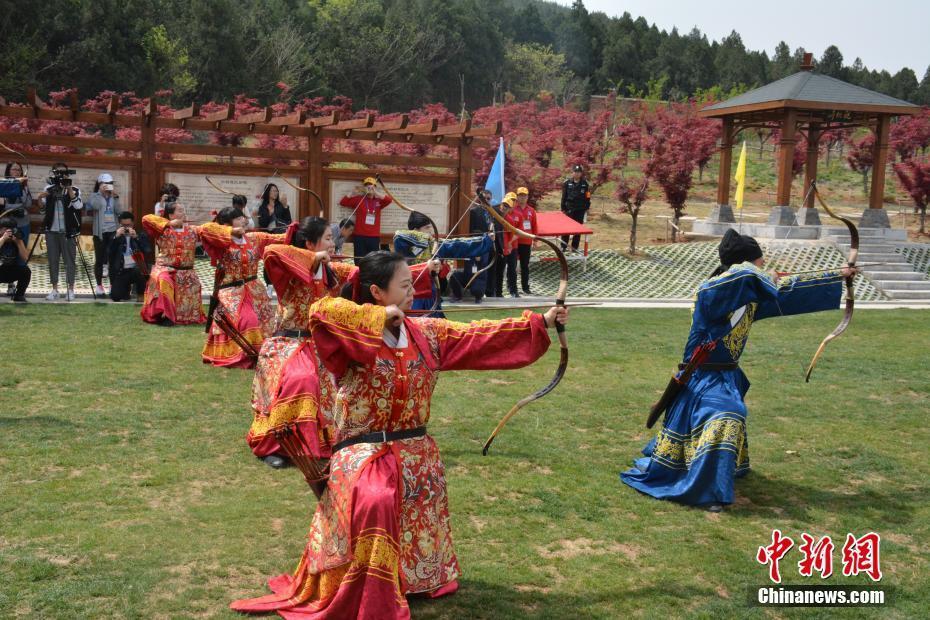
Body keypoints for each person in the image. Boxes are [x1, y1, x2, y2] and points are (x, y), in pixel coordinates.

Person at [231, 250, 568, 619]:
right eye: (404, 286)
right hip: (362, 454)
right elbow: (320, 313)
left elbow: (477, 335)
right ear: (376, 292)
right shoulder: (353, 334)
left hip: (416, 452)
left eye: (413, 284)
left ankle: (413, 579)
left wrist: (542, 322)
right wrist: (376, 318)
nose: (413, 292)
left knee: (417, 483)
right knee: (377, 498)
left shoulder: (428, 333)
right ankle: (371, 586)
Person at [620, 229, 857, 512]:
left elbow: (788, 293)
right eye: (757, 263)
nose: (761, 268)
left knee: (730, 412)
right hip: (702, 378)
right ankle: (706, 489)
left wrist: (838, 277)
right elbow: (741, 278)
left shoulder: (749, 294)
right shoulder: (713, 291)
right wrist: (755, 271)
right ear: (742, 265)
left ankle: (712, 473)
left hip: (725, 377)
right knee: (729, 415)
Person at [247, 216, 356, 468]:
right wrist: (312, 259)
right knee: (302, 379)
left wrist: (422, 270)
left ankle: (317, 443)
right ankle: (276, 445)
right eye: (328, 238)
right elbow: (271, 251)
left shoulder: (332, 271)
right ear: (309, 243)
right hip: (288, 344)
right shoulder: (289, 268)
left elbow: (364, 273)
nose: (333, 244)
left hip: (320, 347)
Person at [199, 206, 288, 368]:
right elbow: (204, 230)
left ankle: (262, 354)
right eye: (238, 218)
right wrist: (229, 232)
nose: (243, 220)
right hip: (231, 291)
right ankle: (247, 355)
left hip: (255, 290)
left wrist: (297, 230)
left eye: (242, 218)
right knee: (248, 320)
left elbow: (280, 238)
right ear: (227, 224)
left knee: (266, 321)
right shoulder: (222, 241)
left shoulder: (254, 238)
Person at [140, 201, 205, 326]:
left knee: (195, 282)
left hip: (187, 270)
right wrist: (169, 224)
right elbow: (145, 219)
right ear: (170, 215)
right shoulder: (162, 229)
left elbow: (209, 231)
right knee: (165, 281)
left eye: (183, 210)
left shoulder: (192, 230)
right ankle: (167, 316)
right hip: (165, 268)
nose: (183, 213)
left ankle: (187, 316)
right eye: (179, 210)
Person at [41, 163, 83, 302]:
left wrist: (69, 188)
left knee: (69, 261)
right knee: (53, 260)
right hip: (51, 231)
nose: (61, 177)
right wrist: (41, 197)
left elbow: (78, 206)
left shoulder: (75, 189)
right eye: (58, 174)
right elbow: (42, 208)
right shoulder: (49, 189)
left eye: (64, 174)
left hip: (68, 232)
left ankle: (70, 289)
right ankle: (54, 289)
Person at [85, 173, 121, 296]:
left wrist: (115, 198)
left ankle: (112, 285)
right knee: (100, 259)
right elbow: (96, 206)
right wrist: (101, 193)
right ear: (99, 184)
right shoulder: (94, 196)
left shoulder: (113, 197)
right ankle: (99, 285)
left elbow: (119, 211)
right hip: (100, 233)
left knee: (112, 259)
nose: (108, 186)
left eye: (110, 183)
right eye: (105, 183)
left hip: (112, 231)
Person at [339, 176, 392, 257]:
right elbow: (343, 202)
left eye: (371, 185)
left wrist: (376, 193)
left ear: (375, 187)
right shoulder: (359, 199)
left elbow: (389, 200)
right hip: (359, 236)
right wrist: (352, 192)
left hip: (374, 236)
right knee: (359, 259)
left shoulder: (379, 201)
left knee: (373, 260)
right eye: (367, 185)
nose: (369, 187)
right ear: (364, 187)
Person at [1, 162, 32, 295]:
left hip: (22, 224)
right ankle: (9, 284)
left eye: (19, 170)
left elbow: (28, 203)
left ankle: (18, 288)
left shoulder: (23, 185)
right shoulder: (4, 184)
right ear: (9, 170)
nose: (17, 172)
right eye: (14, 169)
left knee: (20, 251)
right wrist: (15, 208)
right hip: (6, 223)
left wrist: (23, 187)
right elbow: (2, 204)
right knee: (5, 252)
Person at [108, 211, 149, 302]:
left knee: (140, 269)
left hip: (136, 269)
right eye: (124, 225)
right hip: (122, 270)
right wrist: (116, 237)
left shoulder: (140, 235)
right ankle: (126, 291)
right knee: (116, 296)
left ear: (133, 224)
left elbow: (147, 250)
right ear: (119, 224)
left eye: (129, 225)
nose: (126, 228)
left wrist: (136, 238)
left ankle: (141, 293)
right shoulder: (115, 236)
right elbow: (109, 253)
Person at [513, 186, 538, 295]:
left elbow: (534, 226)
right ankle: (513, 288)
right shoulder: (512, 209)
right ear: (517, 197)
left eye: (524, 195)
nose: (522, 198)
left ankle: (525, 287)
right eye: (520, 195)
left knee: (525, 266)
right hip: (514, 242)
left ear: (527, 197)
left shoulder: (531, 211)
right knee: (512, 266)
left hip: (526, 242)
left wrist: (535, 239)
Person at [560, 164, 590, 252]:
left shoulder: (585, 184)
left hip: (580, 210)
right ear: (572, 173)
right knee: (566, 228)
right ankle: (563, 246)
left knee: (578, 229)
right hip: (569, 209)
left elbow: (588, 196)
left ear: (581, 174)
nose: (577, 174)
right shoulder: (567, 183)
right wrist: (563, 209)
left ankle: (574, 247)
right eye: (575, 172)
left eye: (579, 172)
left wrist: (587, 207)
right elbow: (564, 196)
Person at [0, 216, 30, 302]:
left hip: (10, 271)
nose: (9, 233)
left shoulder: (17, 239)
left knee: (25, 271)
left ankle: (19, 295)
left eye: (11, 230)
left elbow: (25, 258)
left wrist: (18, 242)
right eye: (5, 230)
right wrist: (3, 238)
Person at [501, 192, 521, 298]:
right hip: (502, 246)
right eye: (510, 200)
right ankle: (498, 291)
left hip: (513, 246)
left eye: (513, 200)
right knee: (500, 269)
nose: (512, 202)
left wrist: (509, 243)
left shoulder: (518, 215)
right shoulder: (499, 214)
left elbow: (519, 233)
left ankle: (513, 290)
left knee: (512, 269)